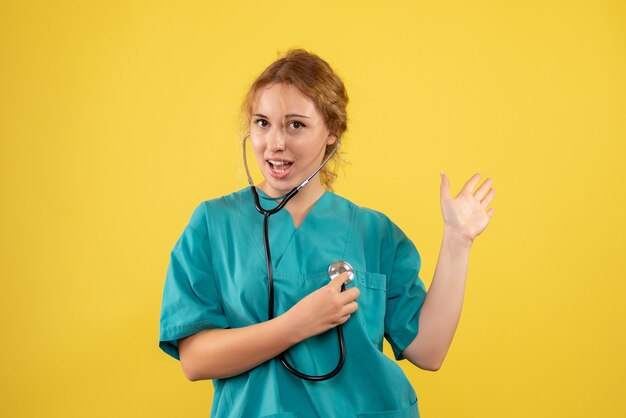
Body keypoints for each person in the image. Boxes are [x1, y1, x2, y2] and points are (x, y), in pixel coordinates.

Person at [158, 48, 495, 418]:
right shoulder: (213, 223)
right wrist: (296, 324)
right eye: (262, 123)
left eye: (295, 125)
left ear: (332, 132)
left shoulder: (374, 233)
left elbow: (429, 351)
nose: (275, 143)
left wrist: (457, 241)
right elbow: (194, 359)